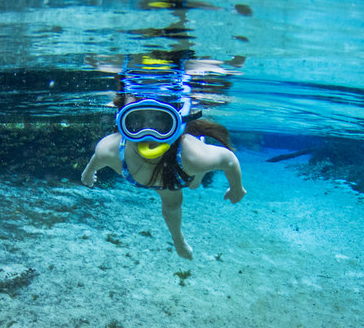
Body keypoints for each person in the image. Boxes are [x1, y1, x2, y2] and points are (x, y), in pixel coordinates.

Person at [81, 94, 246, 260]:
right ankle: (179, 241)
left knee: (191, 186)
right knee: (173, 203)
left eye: (160, 120)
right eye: (136, 120)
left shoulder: (192, 157)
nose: (148, 134)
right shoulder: (110, 149)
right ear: (124, 123)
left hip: (174, 169)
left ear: (176, 125)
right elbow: (97, 159)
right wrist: (88, 172)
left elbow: (229, 159)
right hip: (167, 180)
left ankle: (179, 238)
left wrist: (237, 189)